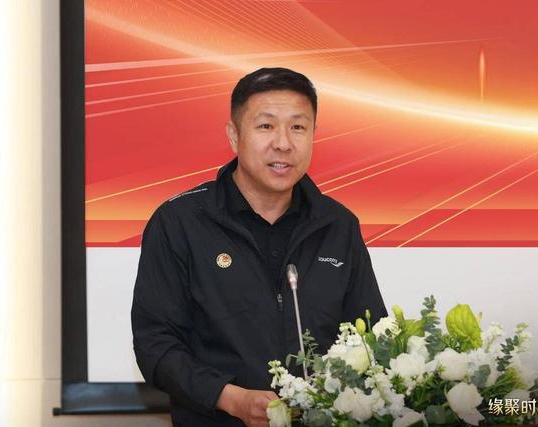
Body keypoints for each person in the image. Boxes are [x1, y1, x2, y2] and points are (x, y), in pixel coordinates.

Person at [131, 67, 387, 427]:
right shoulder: (180, 222)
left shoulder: (338, 225)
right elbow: (156, 344)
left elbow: (370, 335)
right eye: (266, 126)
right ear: (234, 135)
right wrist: (229, 398)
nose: (283, 143)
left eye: (298, 127)